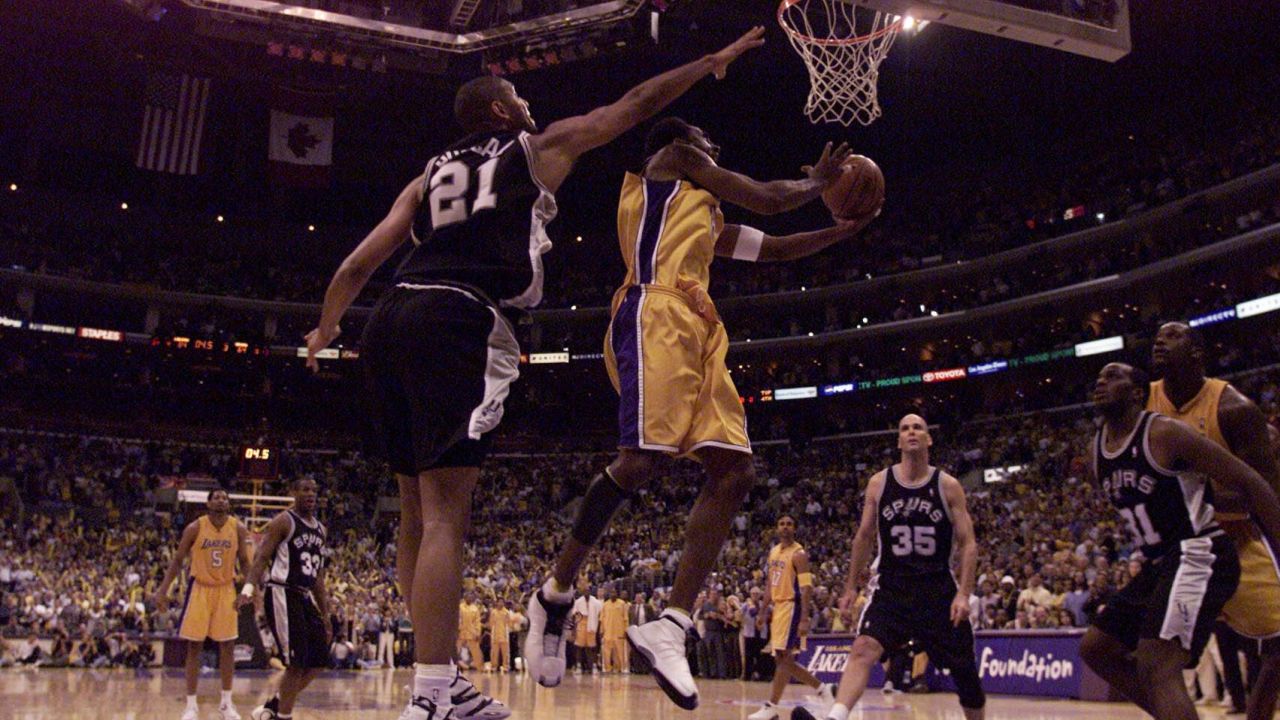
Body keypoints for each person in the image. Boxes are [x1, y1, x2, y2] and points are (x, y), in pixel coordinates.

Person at [305, 26, 766, 720]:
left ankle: (441, 679)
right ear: (498, 112)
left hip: (388, 320)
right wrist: (710, 60)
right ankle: (431, 694)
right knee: (444, 515)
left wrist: (327, 324)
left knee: (412, 511)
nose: (526, 103)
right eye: (516, 97)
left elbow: (355, 265)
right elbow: (634, 104)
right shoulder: (534, 149)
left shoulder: (428, 173)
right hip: (459, 319)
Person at [525, 113, 877, 709]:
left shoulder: (704, 213)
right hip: (653, 311)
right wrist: (819, 184)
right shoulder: (667, 164)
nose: (715, 144)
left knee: (735, 471)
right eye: (708, 138)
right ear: (685, 141)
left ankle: (672, 624)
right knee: (639, 464)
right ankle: (554, 593)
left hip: (700, 327)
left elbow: (775, 247)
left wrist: (841, 231)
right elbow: (766, 199)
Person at [1080, 362, 1280, 720]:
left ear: (1137, 393)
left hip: (1200, 551)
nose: (1101, 381)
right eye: (1099, 377)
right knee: (1097, 649)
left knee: (1157, 663)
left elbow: (1251, 482)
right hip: (1162, 562)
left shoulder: (1165, 432)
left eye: (1113, 377)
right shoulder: (1097, 451)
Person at [796, 414, 984, 720]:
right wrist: (850, 587)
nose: (911, 432)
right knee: (863, 648)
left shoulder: (947, 486)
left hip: (937, 589)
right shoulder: (880, 483)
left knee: (965, 673)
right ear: (898, 440)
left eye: (918, 427)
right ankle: (836, 717)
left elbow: (969, 543)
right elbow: (864, 536)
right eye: (905, 428)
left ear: (928, 439)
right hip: (891, 586)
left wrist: (964, 593)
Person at [1148, 322, 1280, 720]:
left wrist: (1230, 506)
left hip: (1237, 545)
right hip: (1180, 551)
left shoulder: (1233, 408)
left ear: (1197, 353)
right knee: (1131, 654)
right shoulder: (1143, 401)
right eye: (1157, 336)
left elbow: (1265, 489)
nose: (1159, 340)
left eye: (1173, 336)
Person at [237, 477, 331, 720]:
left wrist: (326, 614)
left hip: (304, 595)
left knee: (319, 659)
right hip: (282, 591)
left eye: (313, 489)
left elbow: (318, 577)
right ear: (293, 492)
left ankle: (273, 705)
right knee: (296, 663)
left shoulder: (321, 530)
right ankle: (283, 716)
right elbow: (261, 558)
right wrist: (248, 589)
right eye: (304, 489)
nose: (310, 494)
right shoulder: (283, 521)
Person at [154, 487, 251, 720]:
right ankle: (190, 706)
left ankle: (227, 704)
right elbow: (178, 560)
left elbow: (246, 563)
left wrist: (250, 590)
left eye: (224, 497)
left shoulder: (237, 528)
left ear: (228, 504)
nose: (221, 500)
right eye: (216, 497)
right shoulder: (195, 527)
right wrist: (163, 590)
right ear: (208, 504)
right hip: (199, 588)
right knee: (194, 647)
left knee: (228, 647)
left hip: (226, 589)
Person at [748, 516, 833, 720]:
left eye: (789, 524)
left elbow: (806, 588)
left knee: (784, 659)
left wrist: (804, 618)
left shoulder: (799, 554)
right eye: (781, 524)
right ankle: (823, 689)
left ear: (794, 528)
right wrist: (763, 610)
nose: (785, 527)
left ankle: (771, 707)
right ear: (777, 528)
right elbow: (770, 583)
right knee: (782, 660)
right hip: (778, 608)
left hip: (792, 607)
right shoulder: (774, 551)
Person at [600, 587, 630, 673]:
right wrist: (601, 630)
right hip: (608, 632)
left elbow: (626, 618)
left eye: (614, 593)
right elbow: (602, 618)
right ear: (609, 595)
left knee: (620, 651)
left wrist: (625, 630)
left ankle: (621, 668)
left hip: (619, 631)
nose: (613, 594)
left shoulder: (622, 604)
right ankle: (607, 668)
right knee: (607, 652)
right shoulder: (605, 604)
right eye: (611, 593)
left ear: (617, 594)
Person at [457, 593, 483, 671]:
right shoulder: (460, 607)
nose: (469, 598)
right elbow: (457, 618)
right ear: (464, 598)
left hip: (472, 631)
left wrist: (478, 632)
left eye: (471, 597)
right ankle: (454, 666)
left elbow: (477, 622)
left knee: (475, 650)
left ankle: (479, 666)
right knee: (456, 649)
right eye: (467, 597)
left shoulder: (475, 609)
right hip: (461, 631)